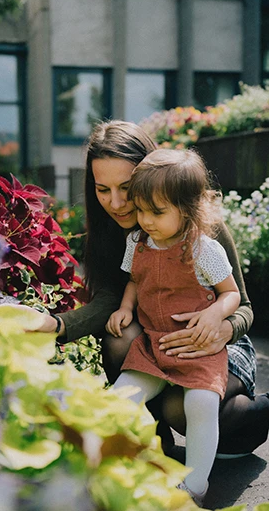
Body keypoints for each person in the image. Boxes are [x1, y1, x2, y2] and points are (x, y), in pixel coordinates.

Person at [36, 119, 269, 458]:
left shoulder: (202, 227)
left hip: (216, 345)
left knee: (184, 407)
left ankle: (257, 413)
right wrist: (56, 324)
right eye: (103, 189)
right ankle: (151, 437)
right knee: (119, 337)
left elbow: (243, 305)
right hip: (157, 343)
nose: (116, 203)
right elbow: (112, 300)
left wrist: (222, 327)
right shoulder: (112, 233)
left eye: (127, 188)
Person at [105, 149, 241, 505]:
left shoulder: (203, 249)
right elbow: (136, 280)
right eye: (142, 210)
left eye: (157, 212)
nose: (146, 220)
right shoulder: (137, 243)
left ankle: (194, 485)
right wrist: (125, 307)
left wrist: (215, 316)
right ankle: (125, 468)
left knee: (200, 404)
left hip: (197, 351)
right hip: (153, 347)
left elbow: (231, 294)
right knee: (119, 399)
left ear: (189, 208)